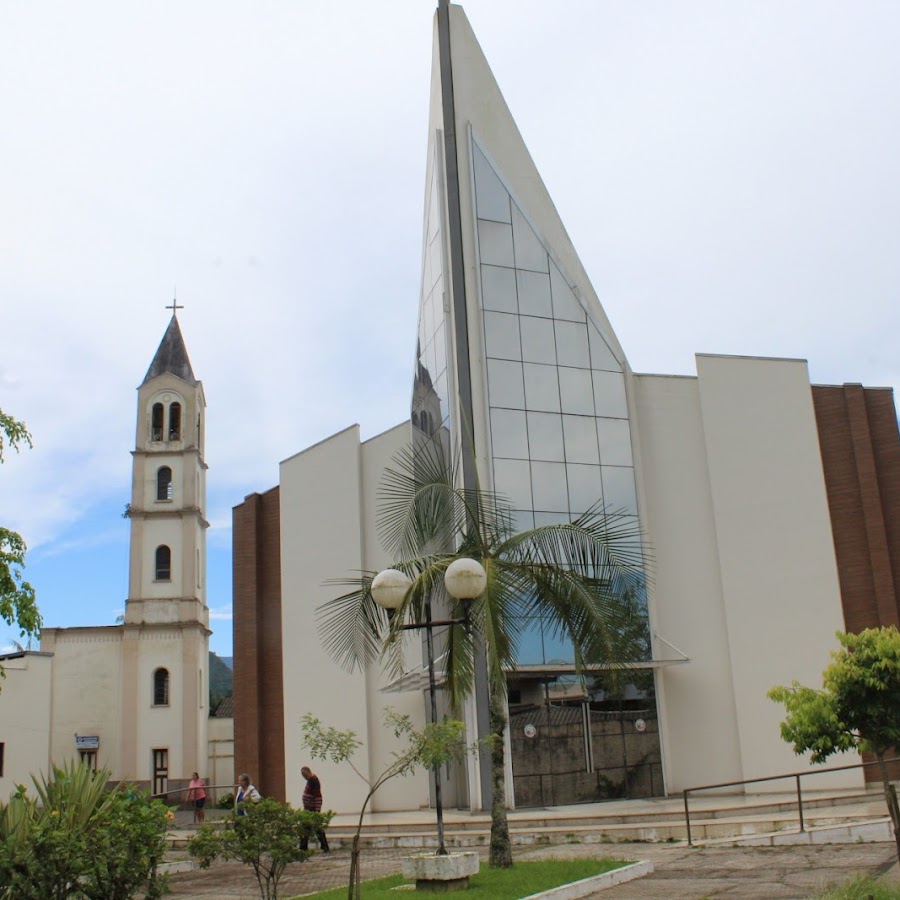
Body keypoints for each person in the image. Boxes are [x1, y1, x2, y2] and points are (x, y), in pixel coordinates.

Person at [300, 766, 330, 852]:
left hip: (312, 809)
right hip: (308, 809)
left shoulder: (314, 781)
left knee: (314, 828)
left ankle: (324, 846)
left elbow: (318, 796)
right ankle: (304, 847)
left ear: (309, 773)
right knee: (307, 828)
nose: (305, 777)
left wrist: (317, 810)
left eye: (305, 775)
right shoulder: (310, 780)